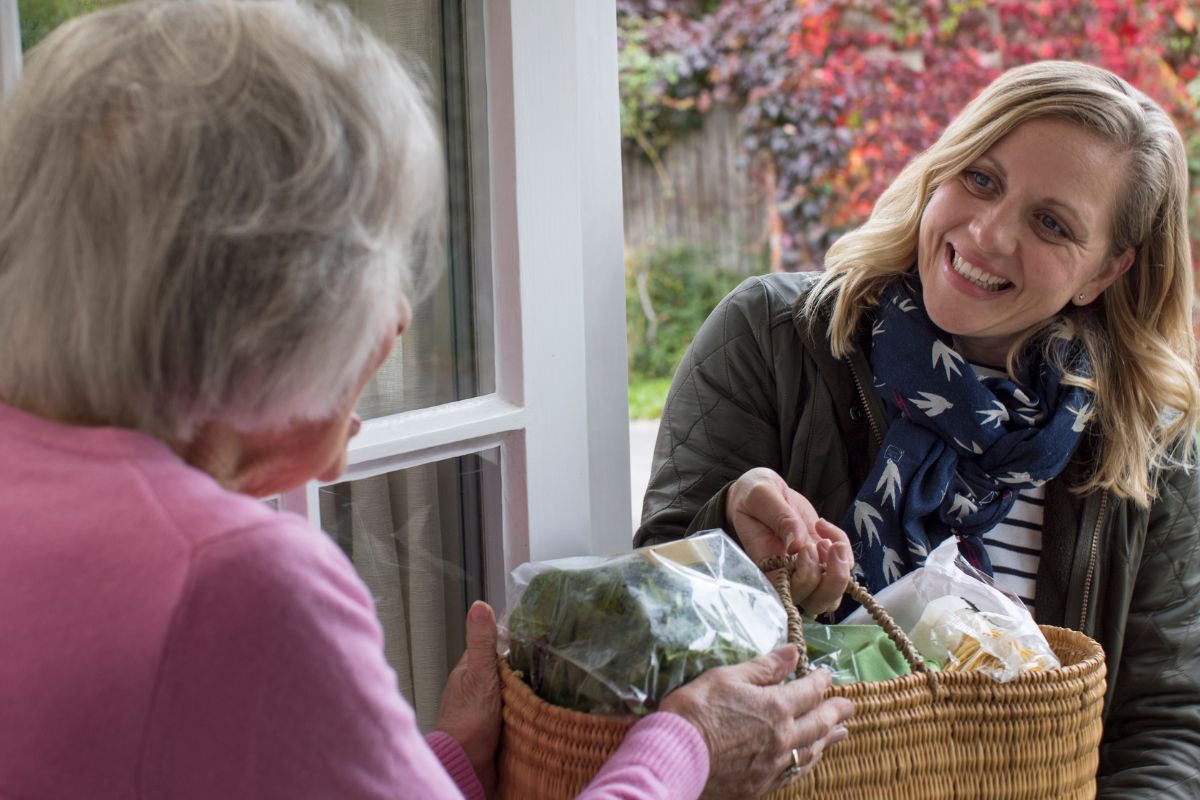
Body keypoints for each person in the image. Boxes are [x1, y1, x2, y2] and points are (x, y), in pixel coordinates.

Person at [0, 2, 853, 799]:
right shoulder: (240, 583)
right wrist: (689, 745)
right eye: (384, 261)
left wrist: (440, 760)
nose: (401, 316)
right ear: (273, 298)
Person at [636, 60, 1200, 798]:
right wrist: (733, 539)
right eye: (982, 179)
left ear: (1105, 272)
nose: (989, 233)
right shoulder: (772, 339)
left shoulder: (1148, 442)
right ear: (941, 171)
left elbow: (1166, 723)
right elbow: (648, 624)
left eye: (1052, 223)